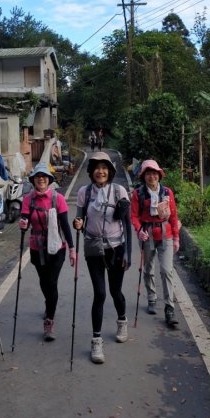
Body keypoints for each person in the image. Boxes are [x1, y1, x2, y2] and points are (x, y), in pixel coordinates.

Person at [73, 151, 132, 364]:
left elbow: (127, 224)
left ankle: (122, 321)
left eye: (104, 167)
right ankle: (96, 341)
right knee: (100, 293)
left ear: (110, 171)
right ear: (91, 171)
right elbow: (79, 218)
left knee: (116, 291)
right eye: (97, 167)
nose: (101, 171)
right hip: (94, 248)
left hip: (116, 248)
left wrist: (128, 252)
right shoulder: (84, 192)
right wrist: (77, 224)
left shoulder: (119, 191)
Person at [19, 163, 76, 341]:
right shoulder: (29, 199)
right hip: (37, 248)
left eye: (44, 176)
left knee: (51, 282)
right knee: (44, 282)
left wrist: (72, 249)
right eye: (38, 177)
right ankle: (49, 303)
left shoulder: (57, 198)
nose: (41, 179)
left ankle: (49, 321)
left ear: (49, 180)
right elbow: (25, 221)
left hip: (57, 247)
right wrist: (23, 224)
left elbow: (65, 225)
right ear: (34, 180)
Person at [130, 159, 180, 326]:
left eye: (154, 173)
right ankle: (152, 297)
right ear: (144, 176)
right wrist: (139, 230)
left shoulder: (167, 193)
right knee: (148, 269)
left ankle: (169, 308)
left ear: (159, 175)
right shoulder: (138, 194)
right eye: (148, 174)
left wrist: (177, 237)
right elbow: (134, 216)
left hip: (166, 235)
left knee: (167, 271)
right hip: (147, 235)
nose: (152, 176)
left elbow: (173, 216)